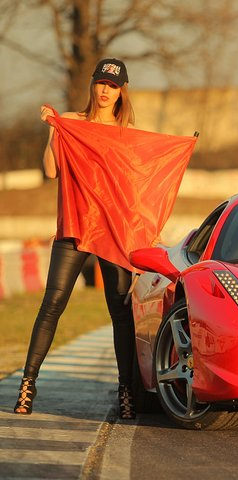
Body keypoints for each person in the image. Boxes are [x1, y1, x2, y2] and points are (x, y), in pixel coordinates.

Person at [14, 58, 138, 419]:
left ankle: (126, 391)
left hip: (113, 232)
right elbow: (51, 171)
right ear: (92, 85)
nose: (104, 90)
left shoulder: (126, 134)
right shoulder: (71, 122)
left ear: (121, 91)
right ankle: (27, 384)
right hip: (73, 227)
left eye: (112, 86)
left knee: (120, 311)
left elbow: (134, 189)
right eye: (100, 82)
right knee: (52, 304)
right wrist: (55, 130)